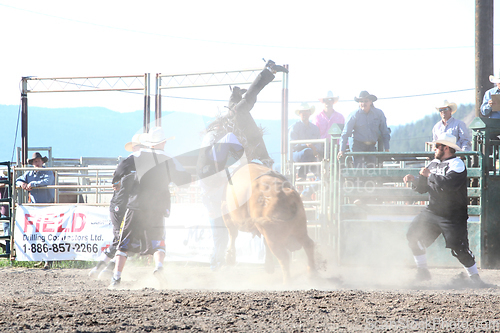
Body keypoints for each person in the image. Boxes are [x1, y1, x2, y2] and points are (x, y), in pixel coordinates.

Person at [403, 133, 490, 287]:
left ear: (447, 148)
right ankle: (423, 272)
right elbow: (423, 189)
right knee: (413, 235)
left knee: (458, 247)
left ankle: (475, 278)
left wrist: (429, 175)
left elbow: (448, 185)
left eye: (437, 146)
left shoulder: (457, 164)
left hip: (453, 215)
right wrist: (414, 180)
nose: (434, 149)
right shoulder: (433, 164)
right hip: (433, 211)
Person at [109, 127, 191, 289]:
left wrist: (116, 181)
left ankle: (116, 278)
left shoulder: (137, 155)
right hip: (157, 206)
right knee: (159, 240)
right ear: (164, 142)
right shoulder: (169, 159)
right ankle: (159, 267)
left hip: (136, 204)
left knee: (124, 242)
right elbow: (184, 178)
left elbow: (120, 169)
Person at [88, 133, 145, 279]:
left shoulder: (133, 162)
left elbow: (115, 181)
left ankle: (101, 268)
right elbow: (115, 182)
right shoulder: (130, 162)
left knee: (121, 239)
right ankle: (105, 269)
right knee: (122, 239)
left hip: (128, 205)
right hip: (122, 205)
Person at [197, 120, 245, 271]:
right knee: (220, 235)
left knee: (222, 235)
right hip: (215, 201)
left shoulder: (206, 160)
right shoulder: (212, 142)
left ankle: (217, 264)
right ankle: (216, 265)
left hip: (217, 201)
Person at [225, 59, 288, 168]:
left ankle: (269, 70)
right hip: (250, 145)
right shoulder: (235, 114)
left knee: (244, 105)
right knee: (242, 107)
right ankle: (269, 70)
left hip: (252, 146)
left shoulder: (237, 115)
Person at [16, 152, 55, 269]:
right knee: (38, 234)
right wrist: (22, 183)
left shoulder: (47, 171)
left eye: (38, 161)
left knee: (48, 234)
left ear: (42, 162)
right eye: (34, 161)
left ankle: (48, 260)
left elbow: (48, 181)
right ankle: (42, 258)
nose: (36, 163)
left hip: (47, 206)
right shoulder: (29, 173)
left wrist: (32, 183)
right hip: (35, 207)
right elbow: (18, 180)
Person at [337, 91, 390, 168]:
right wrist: (341, 150)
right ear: (358, 103)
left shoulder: (378, 114)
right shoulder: (354, 115)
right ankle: (359, 179)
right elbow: (345, 133)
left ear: (370, 102)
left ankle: (370, 180)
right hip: (358, 146)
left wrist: (387, 148)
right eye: (361, 101)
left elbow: (385, 132)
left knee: (371, 169)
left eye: (366, 101)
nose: (363, 103)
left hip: (372, 146)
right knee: (358, 169)